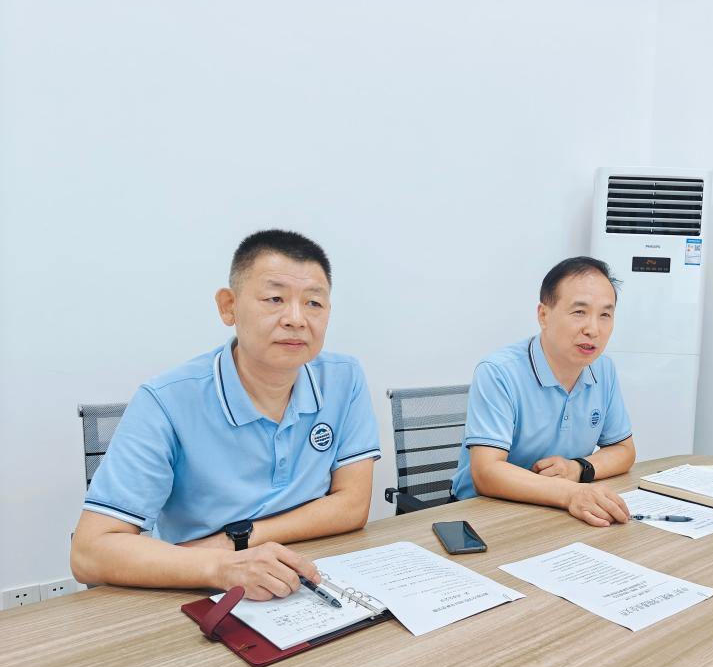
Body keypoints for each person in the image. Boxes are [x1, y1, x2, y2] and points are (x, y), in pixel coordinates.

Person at [70, 230, 381, 599]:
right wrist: (222, 565)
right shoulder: (166, 400)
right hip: (199, 589)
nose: (297, 319)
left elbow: (352, 505)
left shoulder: (344, 378)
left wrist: (237, 540)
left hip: (313, 571)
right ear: (228, 306)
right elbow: (89, 552)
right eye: (275, 298)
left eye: (314, 303)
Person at [449, 256, 636, 526]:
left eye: (605, 315)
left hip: (556, 514)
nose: (593, 329)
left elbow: (624, 450)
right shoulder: (499, 372)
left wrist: (577, 468)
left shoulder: (603, 369)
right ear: (543, 315)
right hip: (483, 517)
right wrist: (571, 492)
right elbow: (486, 472)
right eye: (579, 312)